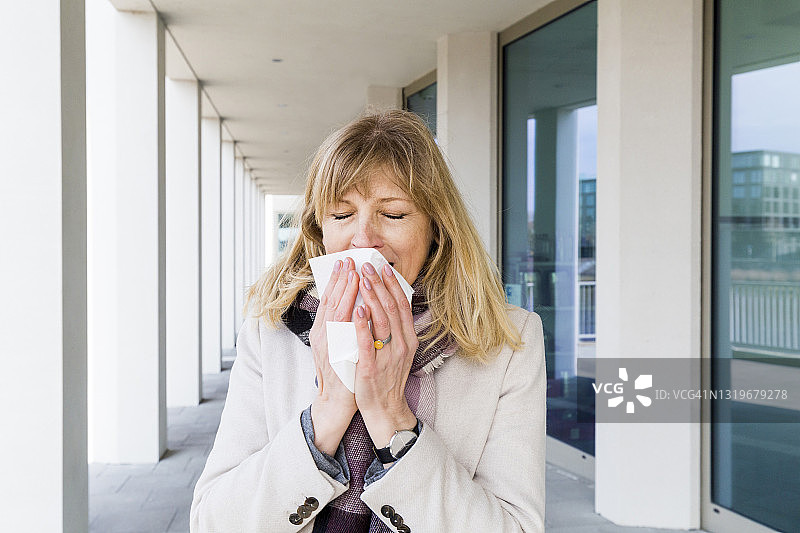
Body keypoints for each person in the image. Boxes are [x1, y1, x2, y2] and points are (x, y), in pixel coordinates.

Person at [190, 109, 545, 532]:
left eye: (393, 214)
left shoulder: (508, 342)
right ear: (319, 232)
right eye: (341, 216)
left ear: (437, 230)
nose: (363, 239)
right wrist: (329, 409)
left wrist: (391, 416)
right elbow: (213, 522)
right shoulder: (270, 334)